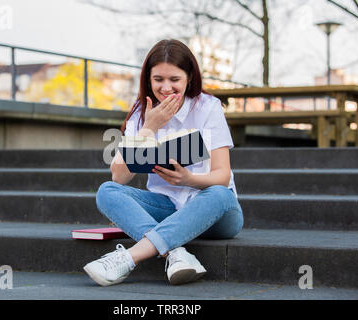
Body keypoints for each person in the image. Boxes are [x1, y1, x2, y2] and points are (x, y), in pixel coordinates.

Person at [83, 39, 244, 286]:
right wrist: (149, 128)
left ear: (189, 77)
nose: (166, 87)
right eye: (158, 79)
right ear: (148, 79)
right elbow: (119, 177)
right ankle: (175, 253)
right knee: (107, 192)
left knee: (220, 194)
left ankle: (129, 258)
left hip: (215, 212)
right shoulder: (141, 113)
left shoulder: (208, 107)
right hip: (167, 207)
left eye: (174, 80)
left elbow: (222, 175)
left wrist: (189, 180)